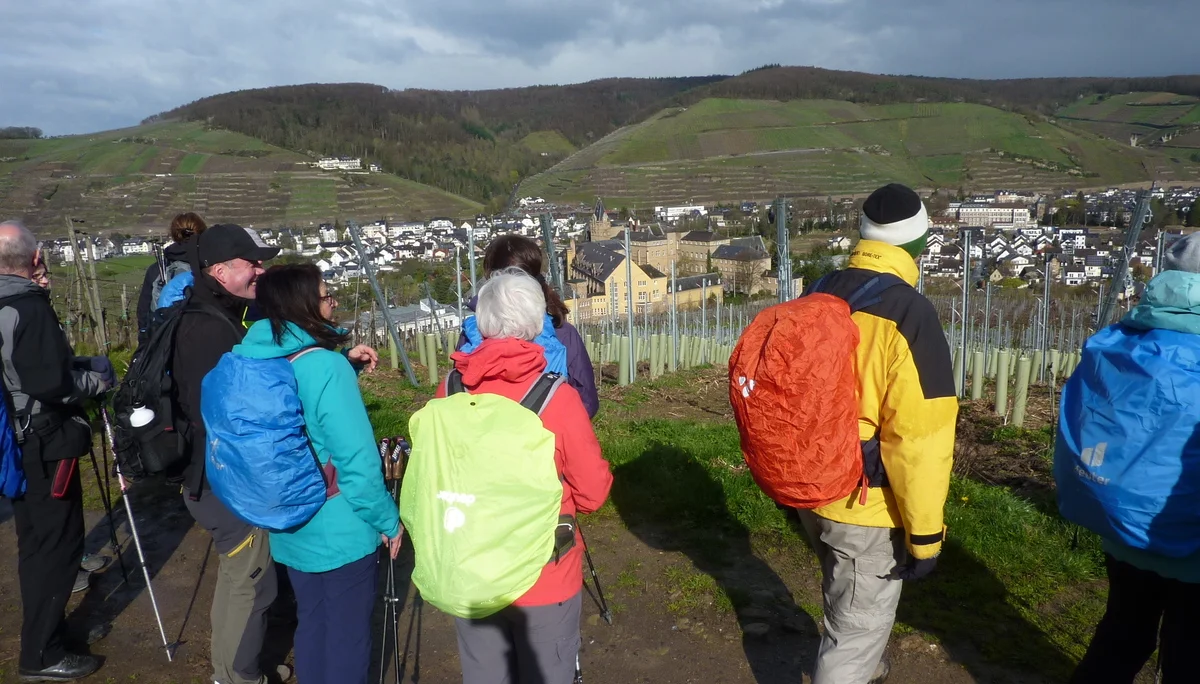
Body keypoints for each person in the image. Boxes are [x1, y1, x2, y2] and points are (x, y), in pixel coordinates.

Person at [795, 184, 957, 684]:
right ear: (921, 243)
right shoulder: (910, 314)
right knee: (856, 628)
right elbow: (919, 438)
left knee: (843, 596)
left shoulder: (819, 290)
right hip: (865, 503)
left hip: (809, 485)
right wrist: (926, 536)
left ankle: (866, 668)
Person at [440, 268, 612, 684]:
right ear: (536, 324)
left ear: (480, 322)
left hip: (473, 566)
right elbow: (592, 493)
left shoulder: (450, 390)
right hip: (544, 573)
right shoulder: (557, 397)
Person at [229, 263, 398, 684]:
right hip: (339, 526)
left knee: (313, 623)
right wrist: (387, 521)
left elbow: (297, 409)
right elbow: (358, 462)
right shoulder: (324, 368)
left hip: (287, 520)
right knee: (347, 637)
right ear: (302, 303)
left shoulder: (255, 356)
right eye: (325, 294)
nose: (333, 300)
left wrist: (344, 366)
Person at [1067, 233, 1200, 684]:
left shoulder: (1119, 339)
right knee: (1189, 652)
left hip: (1122, 524)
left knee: (1124, 630)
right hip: (1189, 540)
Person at [0, 220, 116, 682]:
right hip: (44, 443)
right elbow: (53, 383)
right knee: (58, 547)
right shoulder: (28, 307)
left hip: (13, 441)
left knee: (34, 544)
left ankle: (43, 633)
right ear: (34, 261)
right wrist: (98, 378)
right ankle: (42, 653)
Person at [172, 223, 287, 684]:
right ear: (220, 270)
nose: (261, 270)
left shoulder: (208, 314)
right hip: (223, 480)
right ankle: (239, 677)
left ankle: (235, 667)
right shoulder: (209, 331)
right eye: (251, 263)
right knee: (253, 582)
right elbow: (221, 415)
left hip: (208, 476)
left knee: (239, 574)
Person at [26, 247, 111, 593]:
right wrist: (97, 382)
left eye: (46, 274)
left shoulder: (41, 310)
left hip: (57, 420)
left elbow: (59, 362)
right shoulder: (27, 314)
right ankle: (64, 570)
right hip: (42, 424)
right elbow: (49, 379)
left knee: (69, 496)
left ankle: (74, 554)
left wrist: (84, 362)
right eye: (38, 275)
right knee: (55, 502)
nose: (46, 280)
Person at [458, 234, 599, 418]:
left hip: (485, 439)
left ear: (490, 278)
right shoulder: (562, 332)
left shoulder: (472, 331)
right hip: (546, 436)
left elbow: (459, 392)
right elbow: (587, 400)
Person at [136, 212, 206, 345]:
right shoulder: (210, 265)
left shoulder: (157, 268)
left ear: (174, 234)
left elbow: (143, 311)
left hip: (163, 341)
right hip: (203, 339)